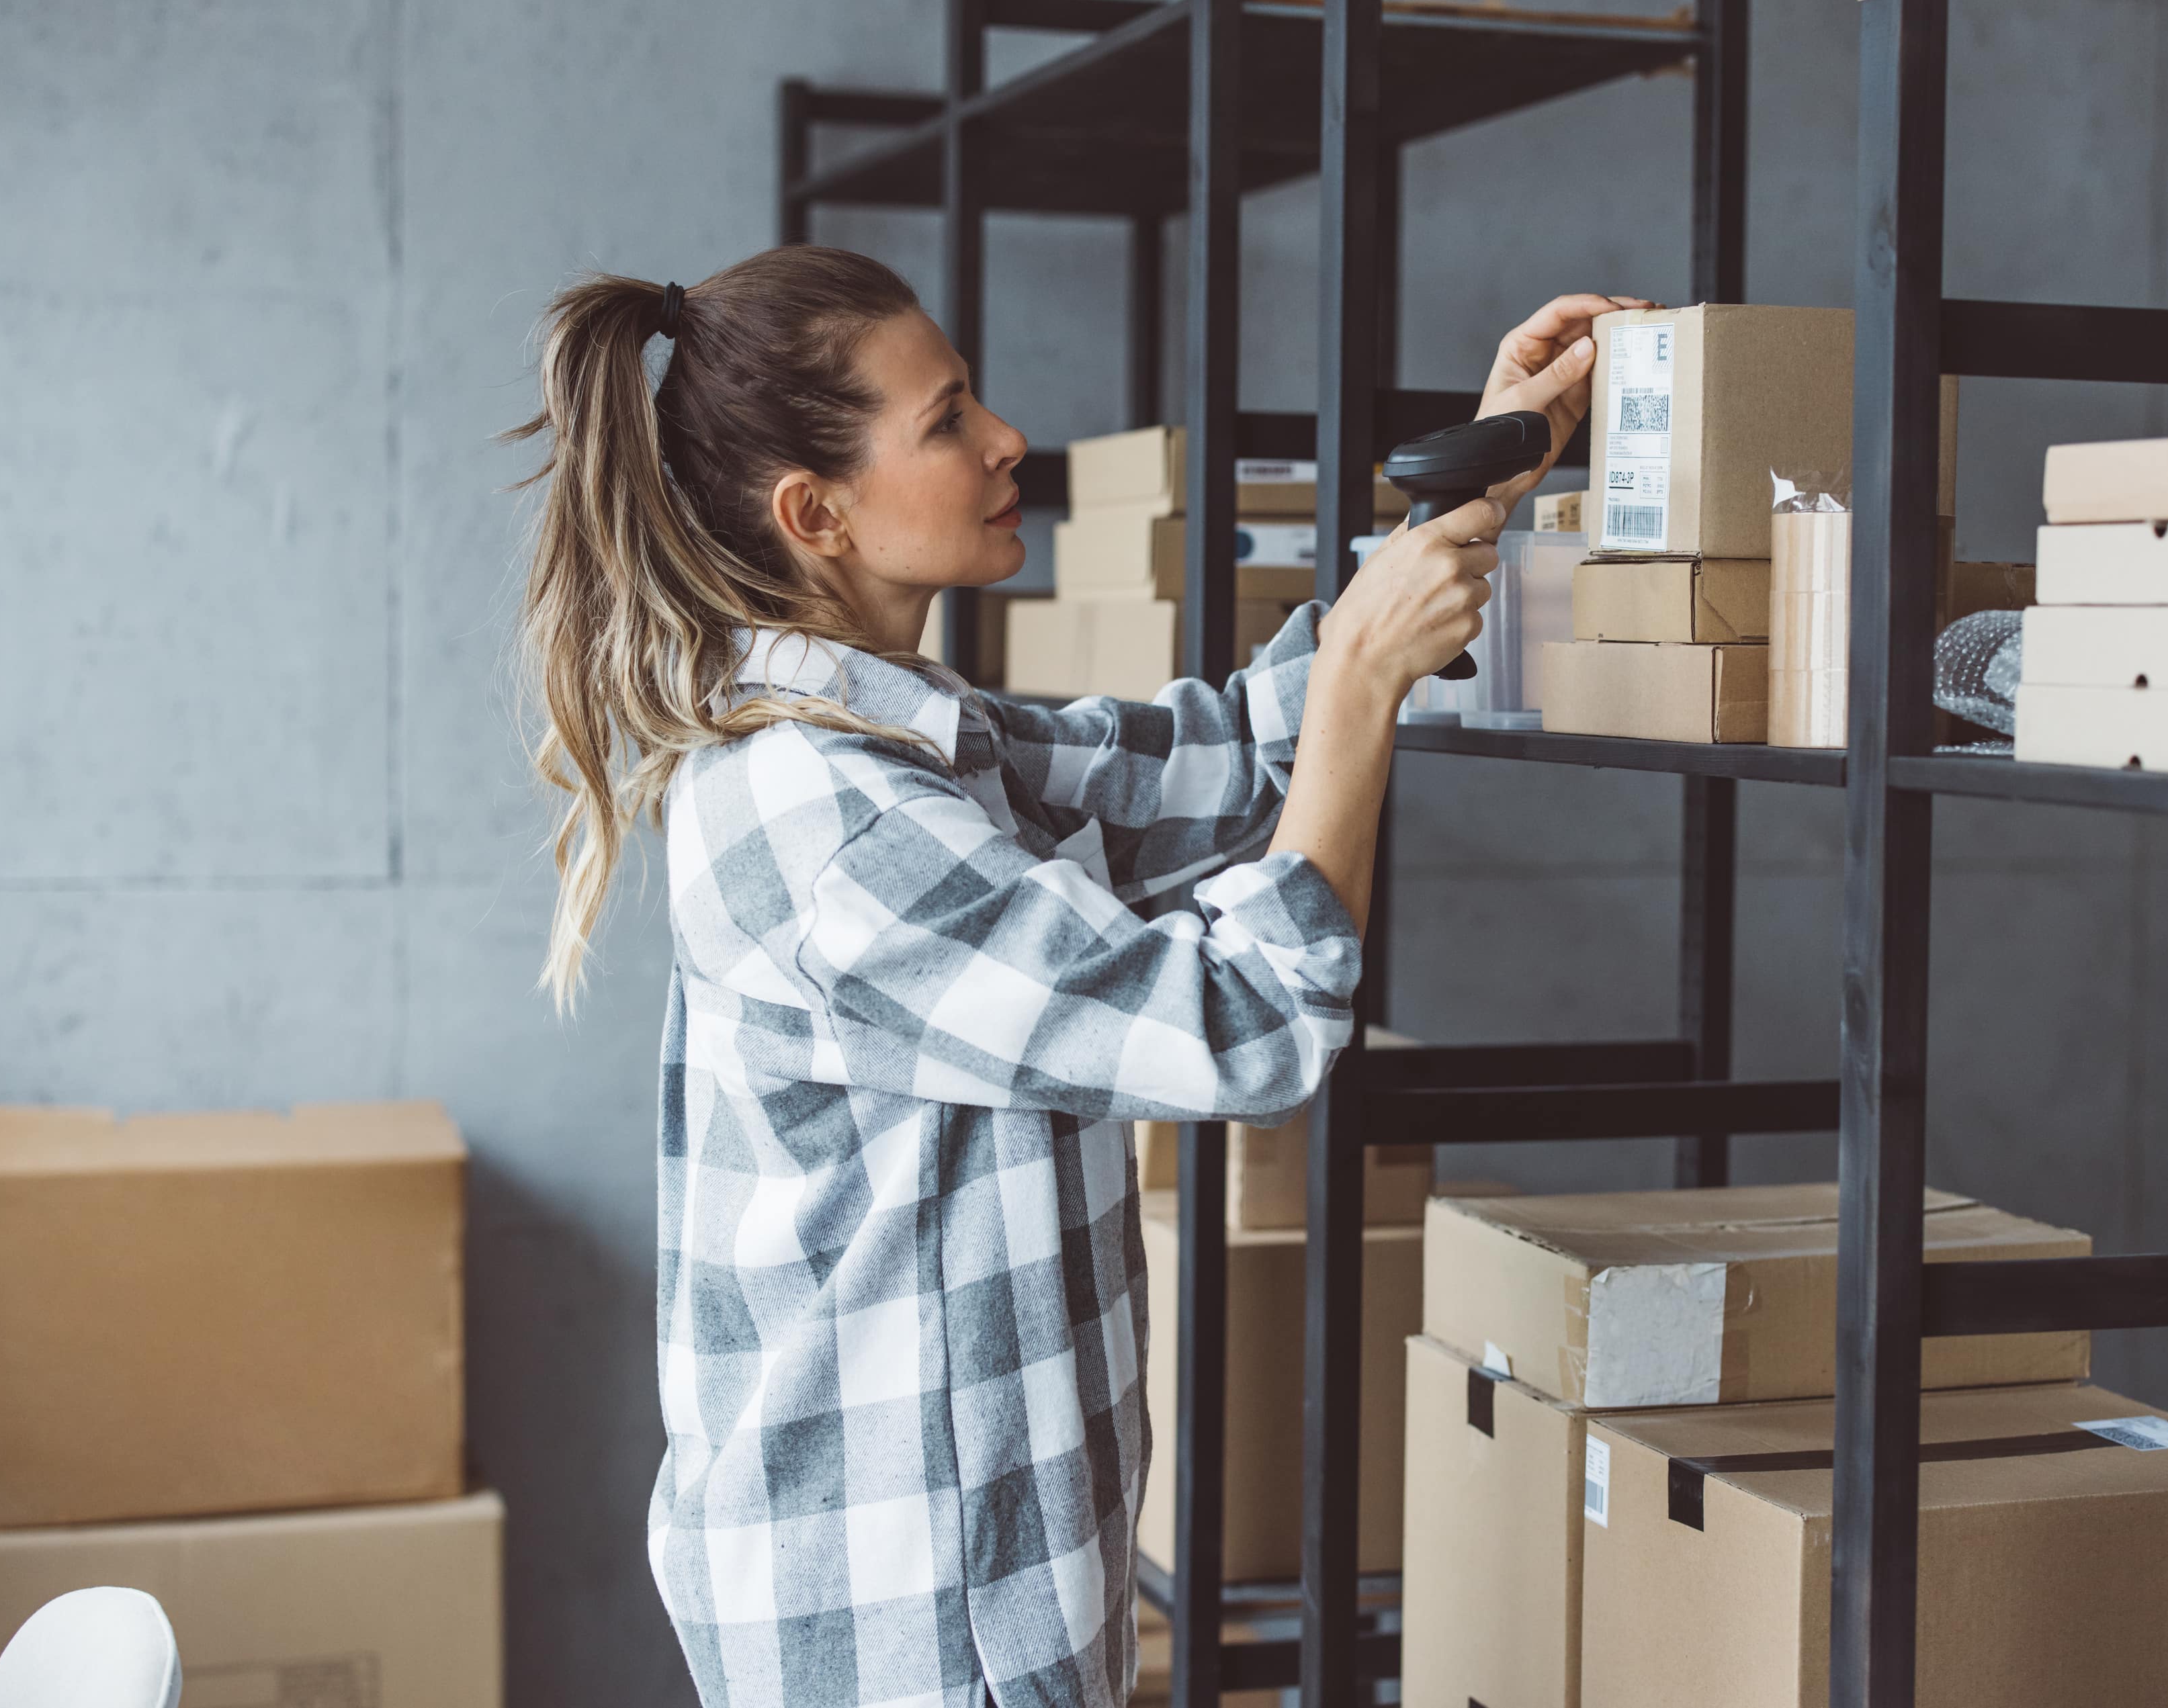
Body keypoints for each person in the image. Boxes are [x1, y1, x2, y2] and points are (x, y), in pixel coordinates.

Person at [511, 244, 1637, 1708]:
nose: (1005, 441)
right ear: (816, 513)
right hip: (908, 1622)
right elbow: (1244, 1028)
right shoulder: (833, 822)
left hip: (970, 1580)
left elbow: (1223, 762)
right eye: (948, 416)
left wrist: (1487, 462)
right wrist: (1365, 680)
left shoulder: (908, 743)